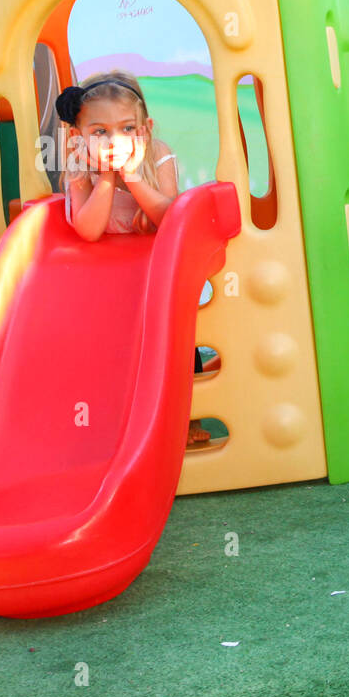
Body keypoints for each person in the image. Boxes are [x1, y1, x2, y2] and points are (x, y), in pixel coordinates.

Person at [55, 70, 212, 445]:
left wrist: (132, 175)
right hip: (109, 278)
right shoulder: (80, 167)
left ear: (145, 129)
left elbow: (169, 219)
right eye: (100, 132)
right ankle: (124, 423)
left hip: (159, 269)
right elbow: (89, 229)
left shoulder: (157, 154)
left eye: (127, 128)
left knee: (173, 337)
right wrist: (106, 179)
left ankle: (188, 420)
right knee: (119, 348)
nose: (114, 140)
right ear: (79, 137)